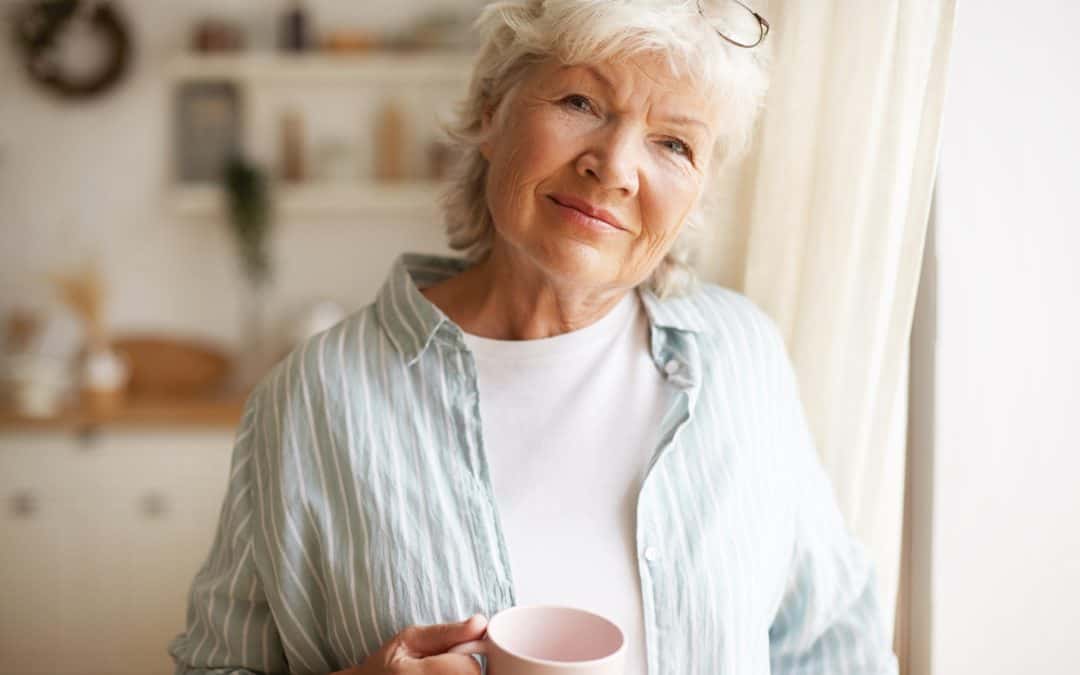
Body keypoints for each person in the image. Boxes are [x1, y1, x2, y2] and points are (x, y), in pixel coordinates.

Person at [170, 1, 898, 674]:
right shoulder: (313, 397)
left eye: (673, 144)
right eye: (582, 102)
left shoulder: (744, 357)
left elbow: (833, 643)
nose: (614, 167)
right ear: (491, 110)